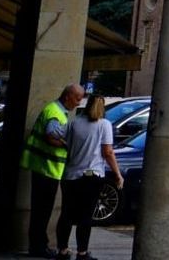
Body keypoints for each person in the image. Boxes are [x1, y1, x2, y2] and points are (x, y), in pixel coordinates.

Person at [58, 93, 122, 260]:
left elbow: (66, 144)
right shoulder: (104, 125)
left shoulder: (74, 123)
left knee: (66, 213)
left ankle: (62, 250)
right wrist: (117, 174)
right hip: (91, 175)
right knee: (85, 216)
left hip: (70, 174)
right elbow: (107, 152)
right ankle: (82, 252)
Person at [24, 83, 85, 258]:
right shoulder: (55, 113)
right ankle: (38, 247)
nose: (79, 103)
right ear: (68, 96)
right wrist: (68, 145)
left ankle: (38, 245)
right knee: (42, 211)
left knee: (40, 210)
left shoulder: (55, 110)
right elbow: (50, 136)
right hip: (46, 168)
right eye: (77, 98)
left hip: (43, 167)